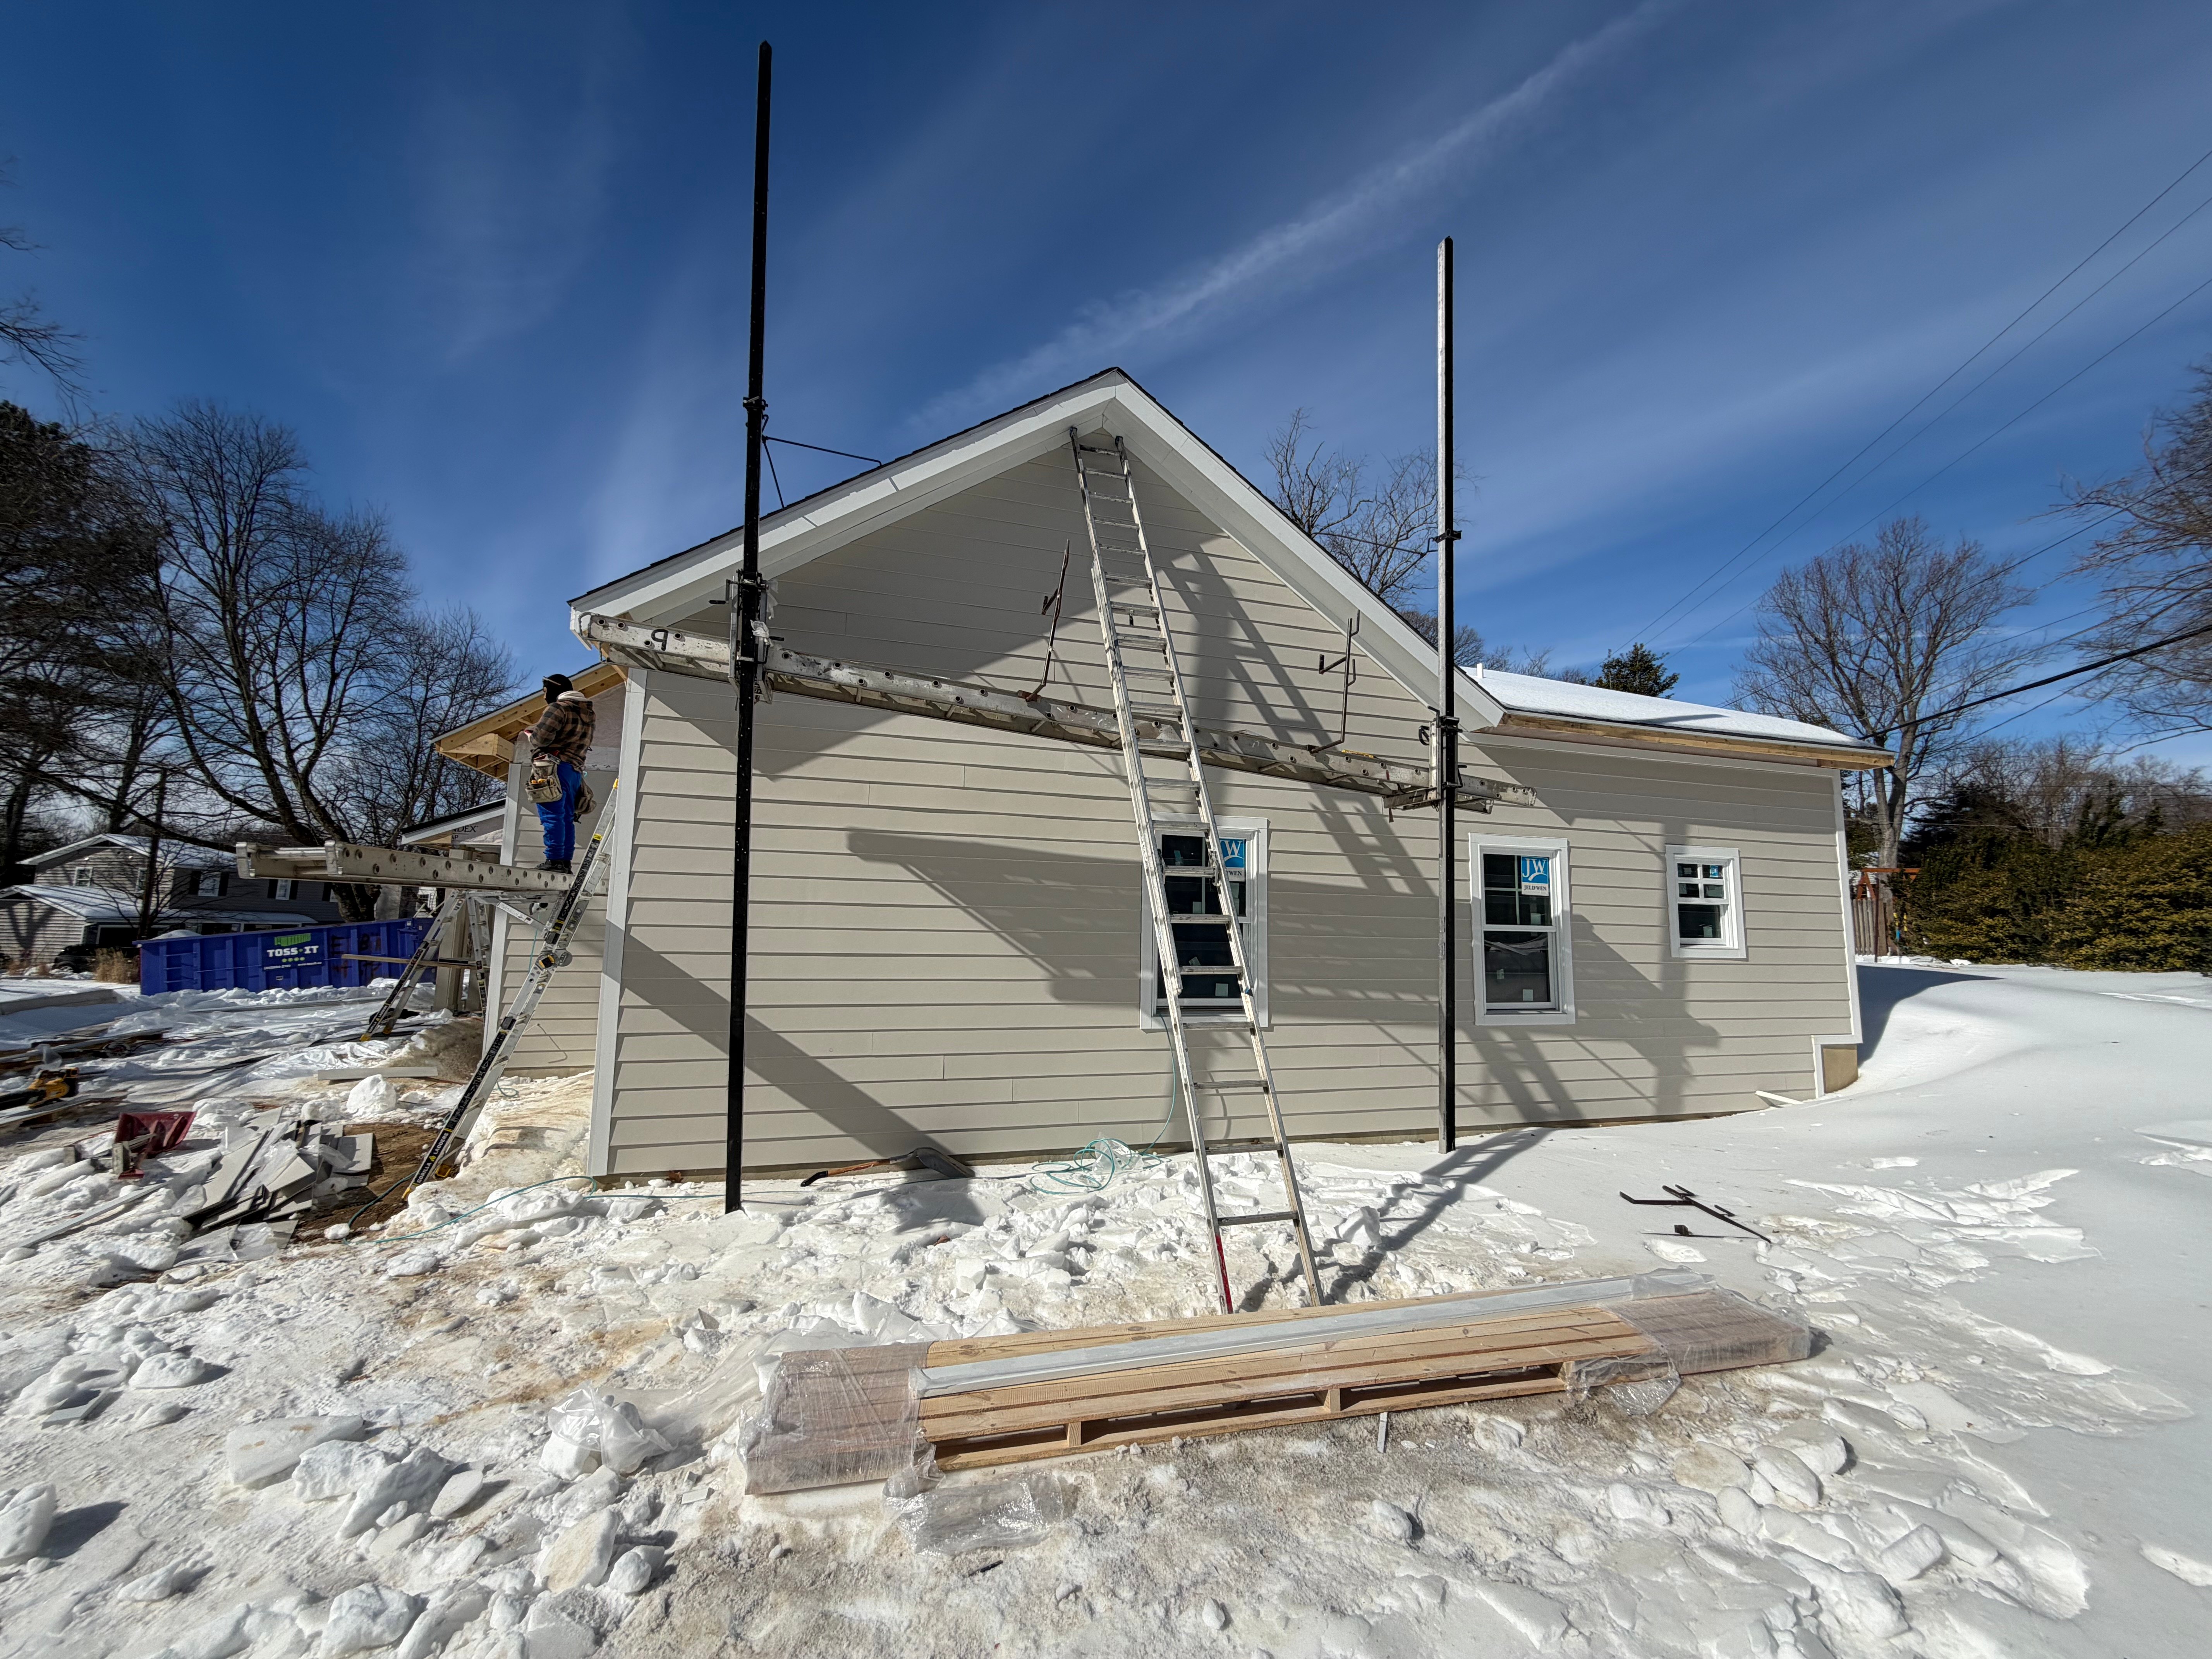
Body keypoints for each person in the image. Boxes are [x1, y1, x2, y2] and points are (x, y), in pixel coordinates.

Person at [524, 673, 595, 872]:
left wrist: (532, 736)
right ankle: (564, 862)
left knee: (552, 815)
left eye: (545, 691)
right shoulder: (588, 715)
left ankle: (554, 860)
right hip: (574, 772)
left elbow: (541, 739)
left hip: (552, 769)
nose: (544, 696)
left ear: (554, 690)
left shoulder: (558, 708)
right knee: (566, 818)